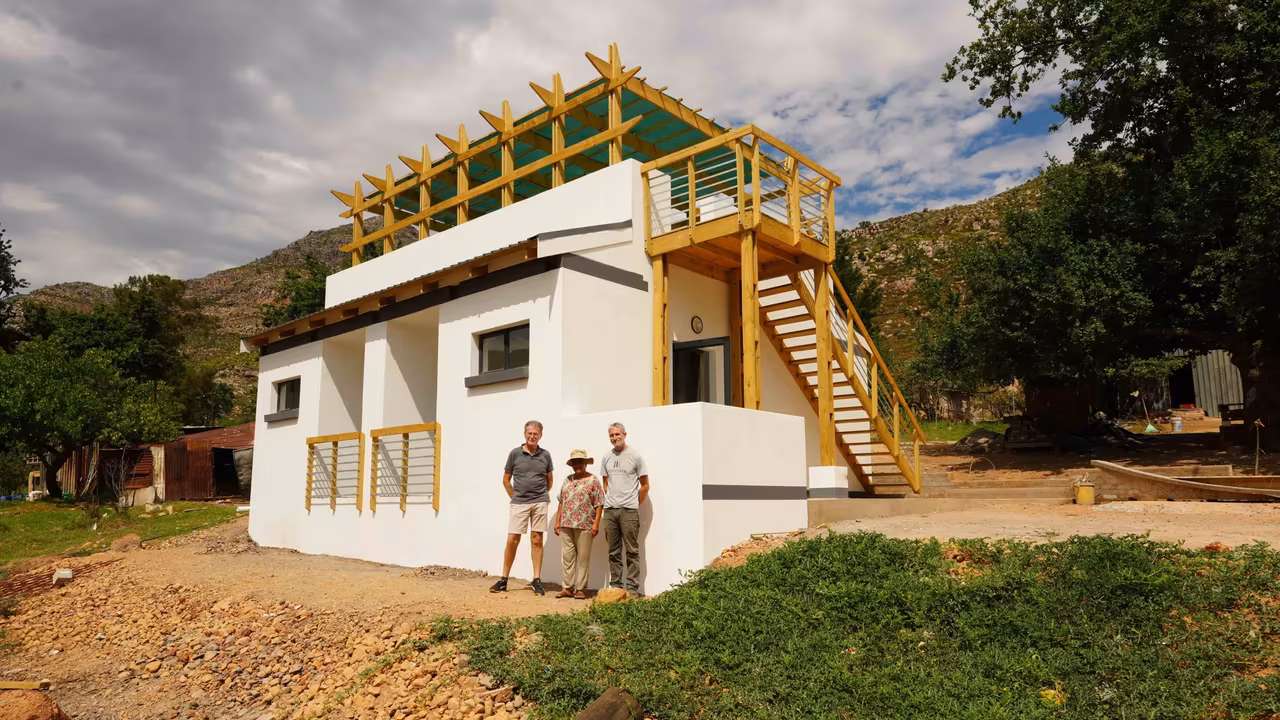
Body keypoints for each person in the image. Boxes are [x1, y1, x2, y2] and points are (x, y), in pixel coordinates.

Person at [490, 420, 553, 595]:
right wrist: (515, 496)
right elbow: (506, 479)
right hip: (519, 502)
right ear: (524, 434)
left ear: (541, 435)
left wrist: (540, 496)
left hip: (539, 502)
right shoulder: (514, 454)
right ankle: (504, 579)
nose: (532, 436)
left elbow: (549, 480)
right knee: (512, 539)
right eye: (529, 433)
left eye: (535, 434)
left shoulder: (546, 455)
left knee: (537, 539)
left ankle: (536, 580)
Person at [599, 422, 649, 597]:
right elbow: (606, 483)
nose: (615, 438)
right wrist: (611, 500)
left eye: (617, 434)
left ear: (624, 435)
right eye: (612, 435)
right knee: (613, 551)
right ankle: (616, 587)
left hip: (629, 511)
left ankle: (632, 589)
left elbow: (645, 485)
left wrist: (634, 503)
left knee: (632, 551)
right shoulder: (606, 457)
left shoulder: (635, 457)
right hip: (610, 511)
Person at [553, 449, 603, 600]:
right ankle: (567, 587)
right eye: (575, 463)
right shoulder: (567, 480)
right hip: (567, 524)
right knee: (567, 557)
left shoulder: (593, 480)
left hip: (585, 524)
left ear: (585, 463)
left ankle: (580, 588)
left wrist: (596, 524)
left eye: (580, 462)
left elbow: (599, 504)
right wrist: (557, 521)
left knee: (583, 558)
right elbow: (561, 501)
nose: (577, 465)